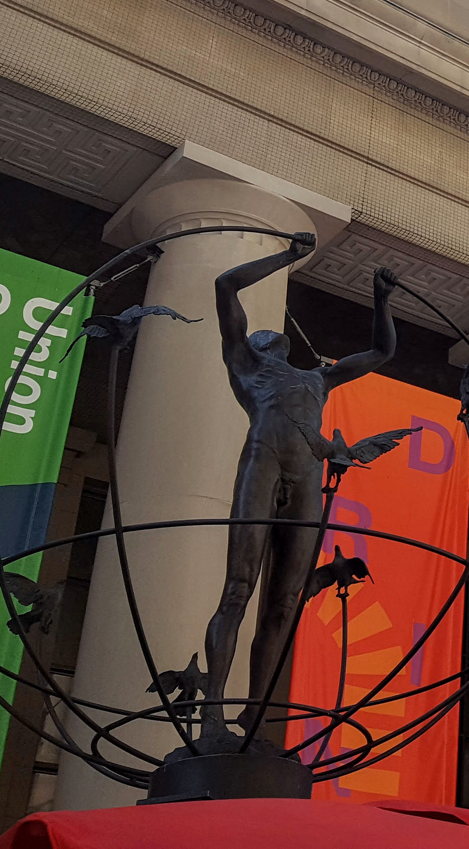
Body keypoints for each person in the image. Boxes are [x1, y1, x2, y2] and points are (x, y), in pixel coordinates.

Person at [196, 231, 397, 742]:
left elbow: (381, 351)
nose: (276, 338)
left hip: (307, 474)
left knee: (285, 602)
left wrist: (380, 299)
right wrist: (288, 257)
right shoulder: (246, 364)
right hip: (263, 462)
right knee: (238, 589)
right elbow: (225, 286)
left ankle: (255, 714)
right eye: (267, 335)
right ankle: (212, 710)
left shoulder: (318, 380)